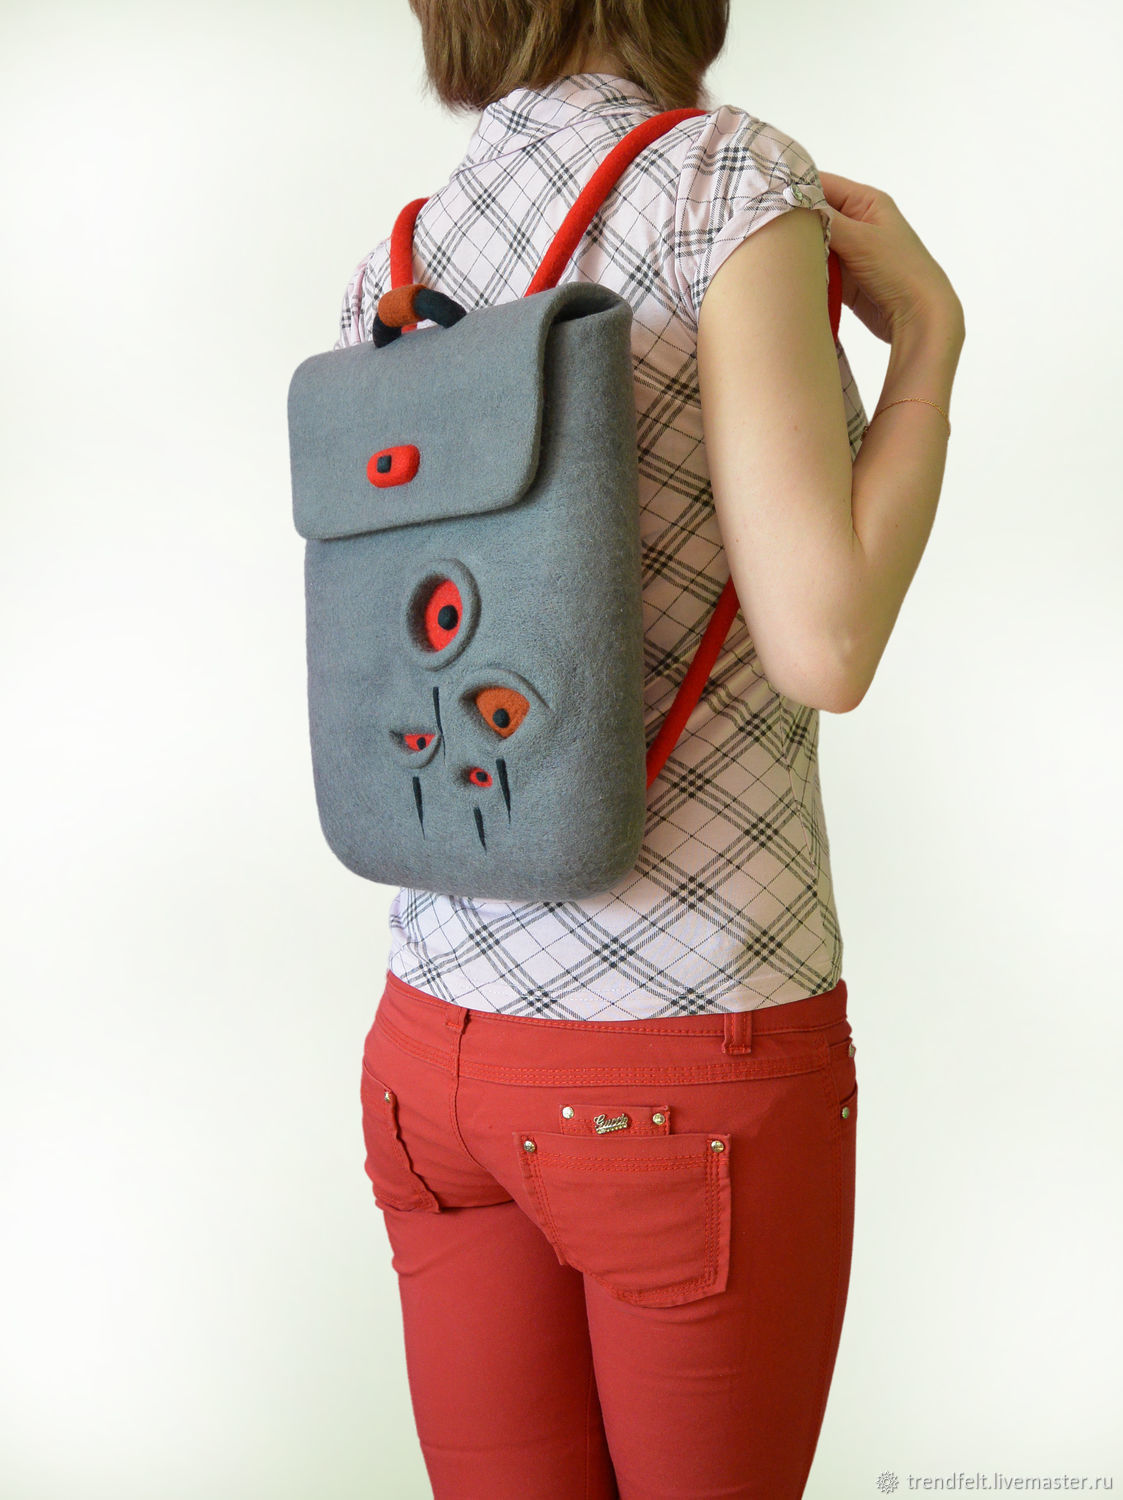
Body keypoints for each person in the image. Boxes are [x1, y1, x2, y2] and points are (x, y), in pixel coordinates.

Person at [342, 2, 966, 1496]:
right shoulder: (721, 183)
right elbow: (825, 645)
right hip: (680, 1047)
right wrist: (930, 349)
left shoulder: (400, 260)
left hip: (433, 1045)